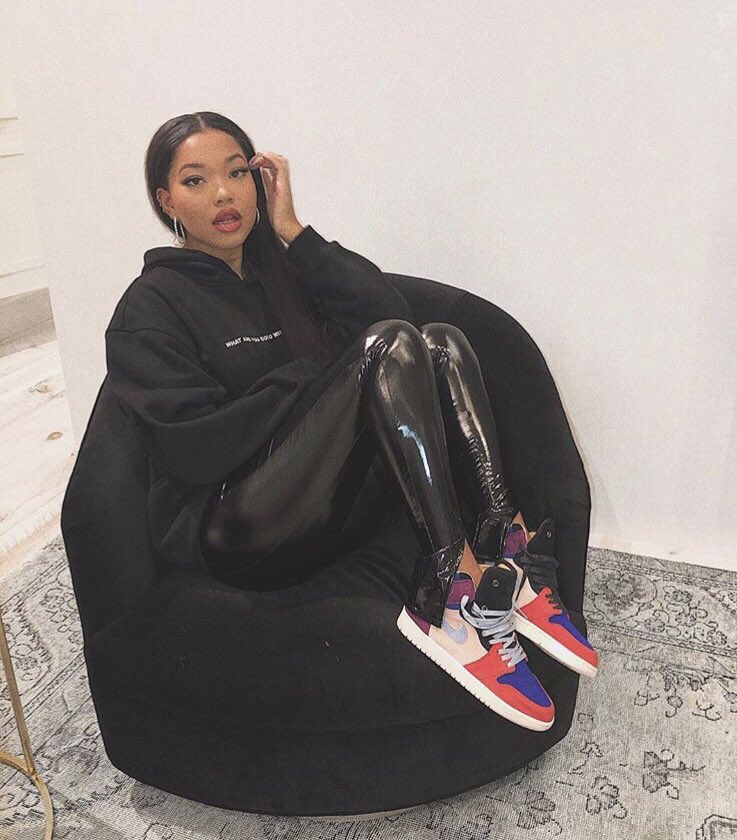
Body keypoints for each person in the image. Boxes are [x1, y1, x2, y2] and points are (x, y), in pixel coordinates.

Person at [105, 111, 598, 734]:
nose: (224, 194)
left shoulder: (282, 274)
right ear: (166, 200)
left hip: (328, 509)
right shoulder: (150, 307)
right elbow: (195, 448)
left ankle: (504, 542)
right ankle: (446, 592)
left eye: (238, 173)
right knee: (386, 346)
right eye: (196, 181)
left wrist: (292, 232)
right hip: (238, 531)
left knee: (439, 340)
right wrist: (310, 381)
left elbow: (394, 315)